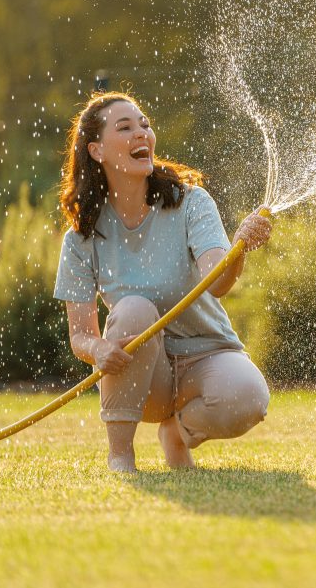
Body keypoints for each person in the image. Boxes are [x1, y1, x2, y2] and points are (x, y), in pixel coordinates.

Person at [54, 91, 273, 473]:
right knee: (135, 309)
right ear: (96, 150)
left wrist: (238, 249)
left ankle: (178, 433)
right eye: (125, 127)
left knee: (250, 397)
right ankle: (121, 455)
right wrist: (99, 350)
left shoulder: (191, 202)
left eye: (145, 125)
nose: (142, 133)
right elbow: (80, 336)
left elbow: (217, 284)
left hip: (207, 354)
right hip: (144, 378)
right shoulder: (81, 238)